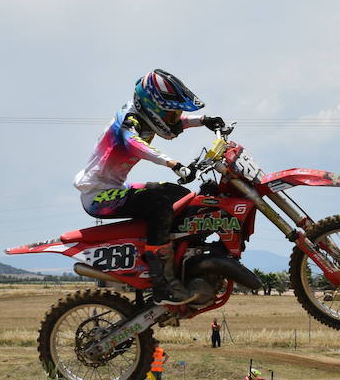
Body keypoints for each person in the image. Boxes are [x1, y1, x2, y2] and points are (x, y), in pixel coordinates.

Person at [73, 69, 227, 302]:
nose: (175, 118)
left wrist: (203, 120)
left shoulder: (144, 115)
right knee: (160, 203)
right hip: (98, 196)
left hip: (114, 189)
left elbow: (175, 123)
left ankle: (183, 261)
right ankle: (162, 282)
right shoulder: (129, 122)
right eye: (172, 114)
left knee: (182, 196)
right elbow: (134, 144)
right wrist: (173, 164)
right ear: (154, 108)